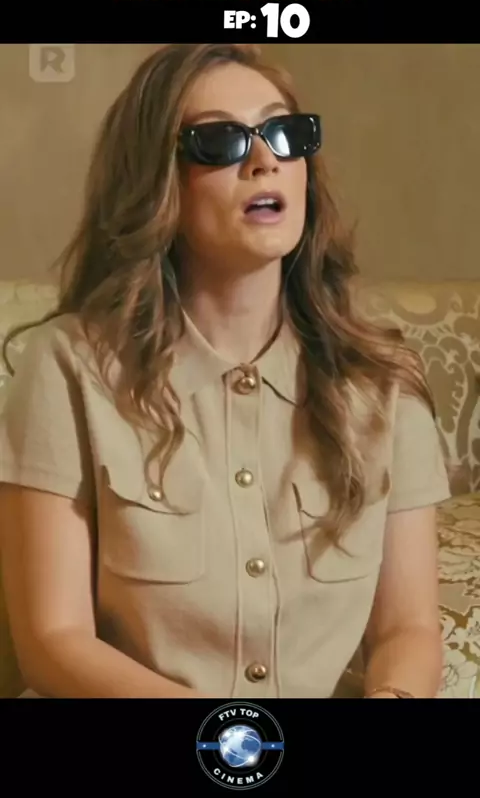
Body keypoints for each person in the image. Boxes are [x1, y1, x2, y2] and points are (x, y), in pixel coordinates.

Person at [0, 43, 450, 700]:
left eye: (283, 133)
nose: (266, 160)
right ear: (155, 181)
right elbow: (53, 642)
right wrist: (234, 742)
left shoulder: (381, 381)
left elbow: (407, 630)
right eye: (220, 141)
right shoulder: (66, 367)